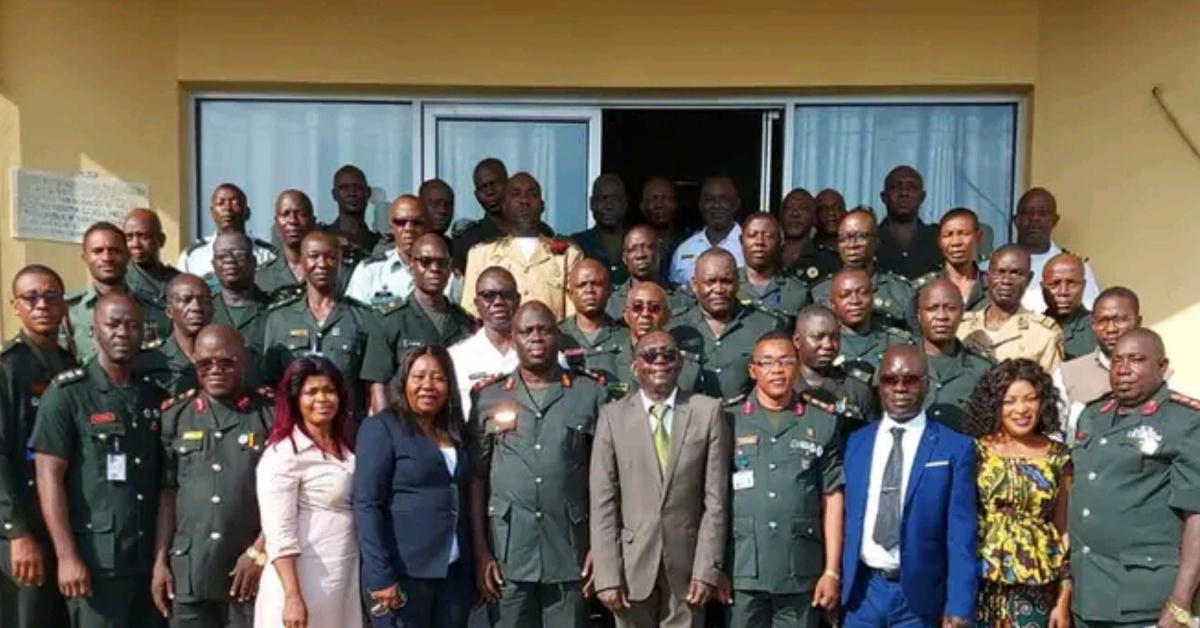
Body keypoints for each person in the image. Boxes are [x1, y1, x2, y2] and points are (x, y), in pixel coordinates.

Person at [30, 293, 170, 628]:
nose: (123, 332)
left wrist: (162, 558)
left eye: (133, 325)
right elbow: (48, 476)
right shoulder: (67, 394)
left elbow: (166, 484)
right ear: (94, 332)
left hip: (147, 561)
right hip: (95, 563)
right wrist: (66, 557)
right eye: (114, 324)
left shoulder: (154, 396)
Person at [470, 302, 606, 628]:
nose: (536, 337)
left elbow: (605, 479)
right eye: (526, 331)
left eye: (544, 329)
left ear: (558, 336)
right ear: (513, 338)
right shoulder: (488, 396)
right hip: (509, 553)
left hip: (571, 552)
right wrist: (482, 552)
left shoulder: (589, 393)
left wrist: (600, 547)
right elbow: (477, 478)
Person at [590, 330, 730, 628]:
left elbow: (715, 501)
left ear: (679, 364)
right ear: (634, 366)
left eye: (668, 355)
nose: (659, 362)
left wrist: (707, 569)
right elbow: (603, 502)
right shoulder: (612, 417)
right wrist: (607, 575)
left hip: (688, 568)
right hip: (630, 569)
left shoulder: (707, 412)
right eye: (650, 355)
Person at [1068, 329, 1200, 628]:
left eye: (1136, 360)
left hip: (1145, 599)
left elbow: (1197, 515)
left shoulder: (1186, 421)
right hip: (1087, 594)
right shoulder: (1092, 415)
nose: (1124, 369)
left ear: (1162, 366)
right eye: (1117, 360)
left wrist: (1180, 603)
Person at [840, 345, 977, 628]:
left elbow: (961, 534)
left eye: (910, 380)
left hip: (919, 597)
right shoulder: (856, 443)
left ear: (925, 384)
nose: (900, 388)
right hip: (862, 593)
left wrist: (959, 605)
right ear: (880, 385)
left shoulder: (954, 447)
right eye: (890, 380)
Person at [152, 325, 273, 628]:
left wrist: (260, 551)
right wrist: (159, 562)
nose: (215, 370)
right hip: (191, 571)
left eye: (226, 362)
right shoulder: (175, 416)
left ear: (243, 362)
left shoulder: (269, 416)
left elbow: (285, 496)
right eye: (205, 363)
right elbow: (167, 495)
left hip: (247, 570)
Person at [722, 331, 843, 628]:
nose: (777, 370)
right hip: (743, 566)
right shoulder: (728, 419)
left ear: (798, 367)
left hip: (800, 568)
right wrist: (715, 567)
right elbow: (713, 496)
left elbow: (832, 497)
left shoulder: (822, 422)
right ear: (753, 370)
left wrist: (831, 571)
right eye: (767, 362)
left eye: (786, 361)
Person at [354, 346, 477, 628]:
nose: (428, 386)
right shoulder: (382, 428)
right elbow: (367, 504)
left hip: (452, 574)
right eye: (418, 376)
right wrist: (380, 575)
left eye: (438, 378)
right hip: (403, 574)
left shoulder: (453, 430)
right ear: (403, 381)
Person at [960, 359, 1072, 628]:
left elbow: (1064, 530)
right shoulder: (975, 452)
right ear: (994, 405)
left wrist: (1063, 598)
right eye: (1009, 401)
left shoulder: (1059, 457)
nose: (1021, 409)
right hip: (979, 583)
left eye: (1030, 399)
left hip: (1037, 587)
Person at [254, 356, 361, 628]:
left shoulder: (346, 448)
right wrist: (292, 597)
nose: (322, 399)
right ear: (294, 400)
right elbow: (279, 534)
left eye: (329, 390)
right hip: (302, 585)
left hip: (342, 581)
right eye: (311, 392)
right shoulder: (283, 454)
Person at [0, 265, 75, 628]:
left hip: (64, 526)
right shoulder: (7, 369)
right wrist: (17, 532)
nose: (41, 305)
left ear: (64, 307)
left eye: (51, 296)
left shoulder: (70, 365)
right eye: (30, 297)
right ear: (16, 306)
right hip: (25, 525)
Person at [262, 231, 392, 423]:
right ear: (302, 262)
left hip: (348, 436)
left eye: (330, 257)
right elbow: (270, 388)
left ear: (340, 262)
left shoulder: (364, 318)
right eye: (314, 257)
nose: (322, 264)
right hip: (296, 433)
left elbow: (375, 391)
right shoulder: (279, 319)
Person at [460, 172, 585, 320]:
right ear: (504, 206)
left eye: (532, 194)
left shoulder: (568, 255)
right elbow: (471, 316)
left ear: (542, 206)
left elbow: (574, 320)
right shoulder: (481, 255)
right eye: (516, 194)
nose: (524, 200)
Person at [669, 249, 784, 400]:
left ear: (737, 282)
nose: (718, 289)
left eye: (726, 281)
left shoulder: (765, 326)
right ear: (695, 285)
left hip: (746, 419)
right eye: (710, 282)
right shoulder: (674, 329)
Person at [63, 222, 171, 362]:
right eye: (98, 251)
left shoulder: (153, 307)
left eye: (114, 251)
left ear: (127, 255)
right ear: (85, 257)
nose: (107, 258)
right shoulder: (69, 311)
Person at [1053, 286, 1143, 438]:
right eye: (1103, 321)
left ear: (1138, 321)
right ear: (1093, 326)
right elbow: (1055, 435)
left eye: (1119, 320)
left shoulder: (1157, 369)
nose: (1111, 329)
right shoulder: (1066, 375)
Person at [958, 245, 1065, 374]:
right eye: (999, 272)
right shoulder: (961, 328)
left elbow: (1052, 389)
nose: (1006, 280)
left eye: (1015, 273)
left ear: (1029, 278)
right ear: (987, 277)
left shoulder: (1044, 335)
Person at [810, 209, 918, 334]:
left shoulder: (901, 292)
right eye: (843, 238)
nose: (851, 244)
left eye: (861, 236)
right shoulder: (819, 292)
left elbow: (916, 342)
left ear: (876, 242)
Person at [376, 233, 476, 364]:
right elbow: (378, 382)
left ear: (450, 268)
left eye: (442, 263)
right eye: (425, 261)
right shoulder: (389, 319)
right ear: (411, 267)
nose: (434, 269)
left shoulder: (465, 322)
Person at [347, 194, 460, 305]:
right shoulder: (370, 271)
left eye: (416, 223)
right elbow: (354, 319)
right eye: (401, 222)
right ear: (391, 228)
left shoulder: (445, 273)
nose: (409, 229)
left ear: (427, 227)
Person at [916, 279, 994, 432]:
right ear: (919, 315)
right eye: (932, 308)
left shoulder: (983, 370)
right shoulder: (898, 365)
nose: (942, 316)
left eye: (951, 308)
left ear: (962, 312)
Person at [451, 158, 553, 273]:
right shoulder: (467, 240)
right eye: (483, 188)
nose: (490, 192)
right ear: (476, 195)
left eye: (493, 184)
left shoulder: (541, 231)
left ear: (507, 184)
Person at [1010, 188, 1101, 313]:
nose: (1034, 218)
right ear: (1016, 221)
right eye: (1026, 213)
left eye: (1042, 213)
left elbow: (1091, 313)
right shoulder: (991, 268)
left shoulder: (1077, 267)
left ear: (1054, 220)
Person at [448, 267, 522, 418]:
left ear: (518, 300)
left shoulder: (540, 353)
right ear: (477, 303)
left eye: (506, 295)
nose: (498, 302)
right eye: (488, 296)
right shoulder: (455, 357)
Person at [792, 305, 878, 430]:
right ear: (797, 341)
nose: (828, 345)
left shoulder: (857, 390)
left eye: (834, 338)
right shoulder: (782, 386)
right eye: (818, 337)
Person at [255, 190, 350, 298]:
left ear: (313, 221)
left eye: (300, 214)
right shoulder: (261, 278)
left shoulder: (339, 273)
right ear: (276, 223)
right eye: (285, 214)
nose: (293, 221)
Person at [827, 269, 913, 384]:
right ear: (832, 304)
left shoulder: (897, 343)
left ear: (872, 298)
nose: (855, 300)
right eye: (845, 295)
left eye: (862, 292)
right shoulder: (825, 345)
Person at [135, 274, 213, 396]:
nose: (196, 307)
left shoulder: (227, 358)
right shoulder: (151, 361)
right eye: (186, 300)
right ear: (169, 311)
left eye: (203, 300)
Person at [209, 231, 273, 375]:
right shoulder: (204, 312)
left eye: (238, 254)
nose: (230, 260)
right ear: (213, 264)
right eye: (222, 256)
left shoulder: (275, 311)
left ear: (254, 262)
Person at [179, 184, 276, 277]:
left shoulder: (266, 253)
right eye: (220, 203)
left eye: (235, 203)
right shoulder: (193, 255)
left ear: (246, 211)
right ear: (212, 211)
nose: (227, 208)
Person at [734, 213, 811, 324]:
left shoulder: (797, 292)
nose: (759, 242)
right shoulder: (727, 285)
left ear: (780, 241)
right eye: (752, 235)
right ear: (741, 241)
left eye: (768, 236)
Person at [669, 176, 746, 286]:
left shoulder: (750, 246)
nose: (716, 205)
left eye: (723, 199)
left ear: (737, 204)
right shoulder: (684, 250)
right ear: (700, 205)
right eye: (709, 199)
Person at [605, 225, 689, 321]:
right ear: (624, 258)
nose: (640, 255)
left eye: (647, 247)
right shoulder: (611, 304)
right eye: (632, 249)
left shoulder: (682, 299)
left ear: (660, 250)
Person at [911, 208, 988, 311]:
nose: (956, 242)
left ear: (978, 237)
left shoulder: (994, 287)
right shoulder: (922, 288)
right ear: (939, 241)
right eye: (948, 235)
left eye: (963, 233)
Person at [874, 166, 941, 281]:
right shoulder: (869, 239)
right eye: (895, 187)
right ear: (884, 197)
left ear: (922, 197)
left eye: (912, 187)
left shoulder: (939, 238)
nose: (904, 193)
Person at [560, 259, 622, 372]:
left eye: (596, 284)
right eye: (582, 285)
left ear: (609, 290)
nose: (589, 290)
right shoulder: (558, 337)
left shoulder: (626, 336)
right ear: (570, 294)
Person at [571, 174, 630, 284]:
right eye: (603, 198)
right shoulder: (577, 245)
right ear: (592, 204)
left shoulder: (639, 245)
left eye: (615, 199)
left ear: (625, 203)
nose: (609, 206)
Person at [1041, 253, 1097, 360]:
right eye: (1054, 284)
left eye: (1072, 284)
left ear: (1083, 286)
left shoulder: (1099, 328)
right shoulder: (1032, 328)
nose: (1063, 292)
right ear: (1042, 288)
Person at [323, 164, 382, 264]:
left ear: (368, 192)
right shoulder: (323, 239)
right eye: (344, 188)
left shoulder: (379, 243)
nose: (351, 193)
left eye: (357, 187)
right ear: (334, 194)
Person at [123, 208, 180, 305]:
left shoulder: (178, 281)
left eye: (144, 237)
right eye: (129, 238)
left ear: (161, 240)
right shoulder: (121, 283)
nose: (135, 244)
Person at [639, 177, 688, 283]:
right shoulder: (633, 245)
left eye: (666, 198)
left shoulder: (690, 242)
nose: (659, 204)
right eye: (653, 198)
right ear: (642, 206)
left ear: (676, 204)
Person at [776, 188, 823, 276]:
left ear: (814, 218)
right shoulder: (769, 257)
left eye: (803, 208)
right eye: (789, 208)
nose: (795, 214)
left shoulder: (827, 261)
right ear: (781, 215)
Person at [811, 189, 846, 277]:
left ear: (845, 213)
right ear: (815, 217)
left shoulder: (855, 249)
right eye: (824, 208)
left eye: (836, 207)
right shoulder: (807, 253)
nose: (831, 212)